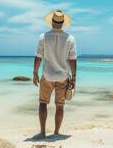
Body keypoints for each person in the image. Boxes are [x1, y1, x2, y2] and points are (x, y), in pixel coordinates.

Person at [33, 9, 77, 138]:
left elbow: (38, 57)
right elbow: (72, 59)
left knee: (43, 103)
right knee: (60, 106)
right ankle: (57, 132)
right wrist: (74, 77)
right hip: (63, 77)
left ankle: (42, 132)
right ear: (63, 23)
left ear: (52, 22)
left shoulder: (43, 37)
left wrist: (35, 72)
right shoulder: (70, 39)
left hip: (47, 76)